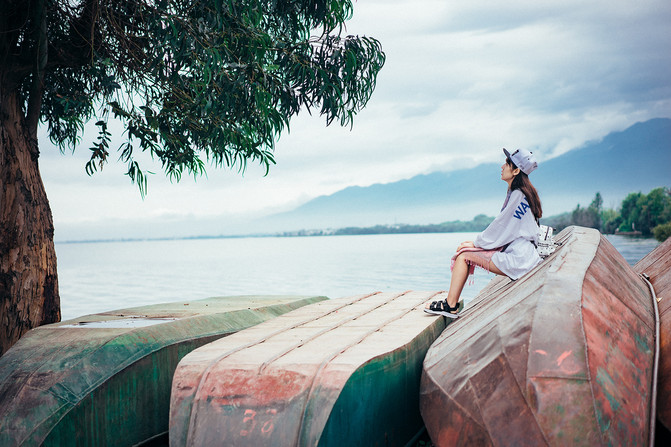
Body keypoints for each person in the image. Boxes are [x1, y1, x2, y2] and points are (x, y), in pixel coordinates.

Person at [425, 148, 543, 318]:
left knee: (463, 255)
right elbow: (504, 229)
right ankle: (450, 304)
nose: (502, 166)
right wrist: (478, 244)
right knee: (466, 252)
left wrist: (476, 244)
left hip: (519, 260)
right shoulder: (522, 193)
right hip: (522, 256)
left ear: (516, 171)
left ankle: (450, 305)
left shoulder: (518, 196)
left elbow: (501, 227)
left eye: (507, 164)